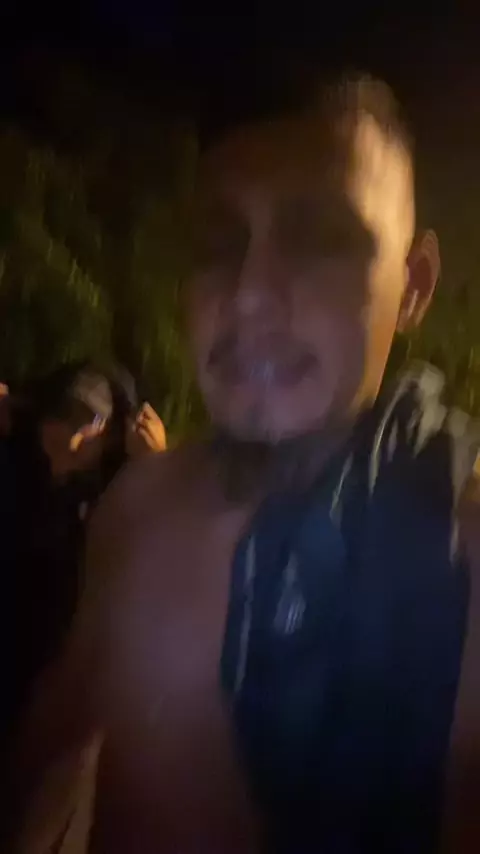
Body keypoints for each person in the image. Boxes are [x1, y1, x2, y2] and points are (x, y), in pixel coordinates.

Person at [11, 73, 480, 853]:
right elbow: (57, 745)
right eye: (218, 246)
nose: (251, 296)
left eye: (321, 239)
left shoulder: (463, 569)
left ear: (413, 285)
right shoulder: (139, 509)